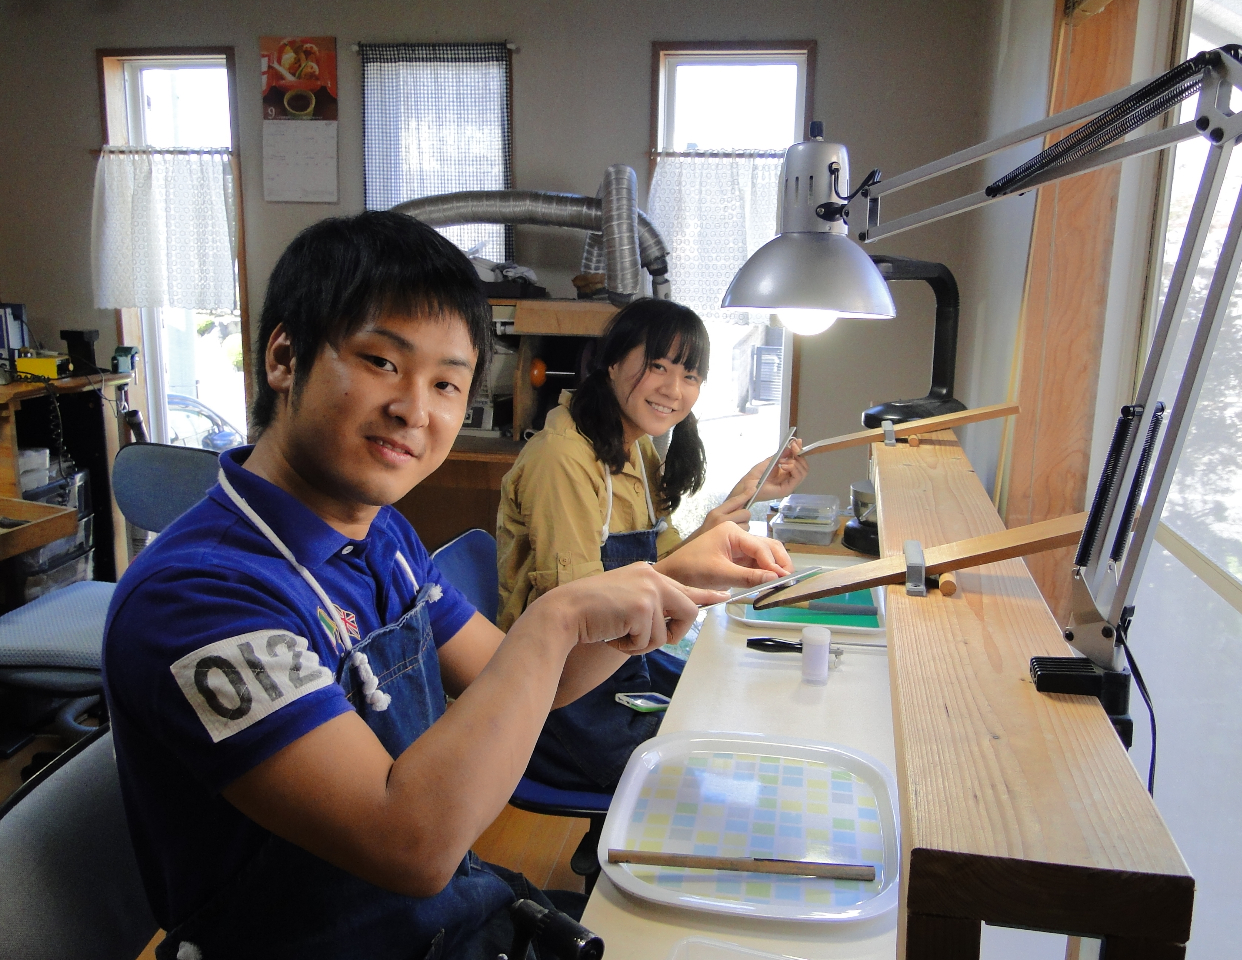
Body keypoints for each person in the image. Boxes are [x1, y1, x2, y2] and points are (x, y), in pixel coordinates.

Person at [101, 212, 794, 960]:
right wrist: (555, 618)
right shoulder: (199, 597)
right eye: (381, 362)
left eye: (446, 384)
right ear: (284, 356)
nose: (414, 409)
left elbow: (535, 680)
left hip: (453, 919)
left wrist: (672, 579)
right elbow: (411, 844)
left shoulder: (383, 536)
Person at [496, 299, 808, 792]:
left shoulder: (636, 446)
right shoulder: (562, 459)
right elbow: (576, 622)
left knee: (739, 703)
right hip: (561, 703)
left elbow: (666, 560)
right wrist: (682, 573)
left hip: (623, 664)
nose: (673, 390)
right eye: (657, 366)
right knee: (721, 769)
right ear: (613, 362)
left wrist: (747, 493)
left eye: (690, 375)